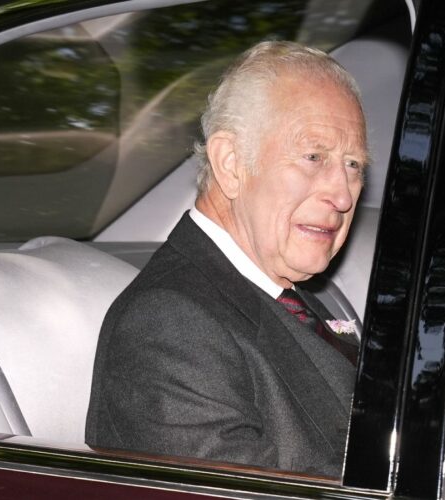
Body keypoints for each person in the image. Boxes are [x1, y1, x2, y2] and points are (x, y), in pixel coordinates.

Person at [85, 41, 367, 477]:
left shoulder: (293, 293)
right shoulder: (167, 327)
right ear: (232, 164)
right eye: (314, 157)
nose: (344, 194)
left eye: (354, 165)